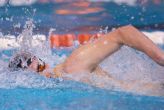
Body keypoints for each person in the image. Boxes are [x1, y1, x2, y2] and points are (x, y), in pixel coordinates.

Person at [8, 25, 164, 93]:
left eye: (39, 67)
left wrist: (160, 57)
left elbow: (124, 32)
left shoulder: (72, 67)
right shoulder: (65, 80)